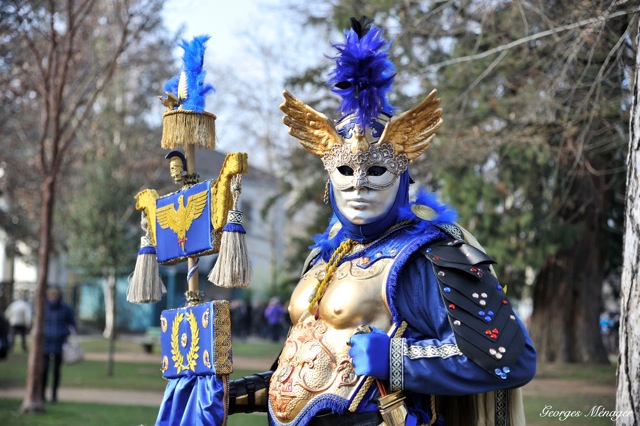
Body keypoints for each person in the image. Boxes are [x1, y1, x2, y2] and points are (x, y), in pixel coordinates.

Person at [227, 17, 536, 425]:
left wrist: (396, 359)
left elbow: (508, 357)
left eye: (375, 170)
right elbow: (312, 373)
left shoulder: (431, 255)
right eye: (344, 171)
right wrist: (238, 393)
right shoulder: (323, 261)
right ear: (328, 177)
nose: (358, 185)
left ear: (402, 175)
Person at [42, 287, 76, 403]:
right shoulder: (44, 308)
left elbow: (72, 325)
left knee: (56, 371)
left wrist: (63, 333)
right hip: (45, 344)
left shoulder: (65, 309)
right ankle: (42, 394)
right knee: (44, 370)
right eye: (51, 296)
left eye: (54, 296)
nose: (53, 299)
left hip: (59, 345)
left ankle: (54, 395)